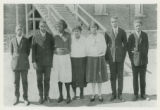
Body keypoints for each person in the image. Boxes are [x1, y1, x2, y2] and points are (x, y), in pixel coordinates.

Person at [32, 20, 55, 104]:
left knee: (47, 80)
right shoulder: (35, 36)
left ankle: (46, 96)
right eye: (41, 26)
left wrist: (52, 61)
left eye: (44, 26)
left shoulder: (50, 36)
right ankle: (41, 96)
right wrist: (33, 61)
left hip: (48, 63)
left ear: (46, 27)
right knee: (39, 80)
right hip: (39, 63)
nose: (43, 28)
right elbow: (33, 49)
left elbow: (53, 49)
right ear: (39, 27)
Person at [105, 16, 127, 101]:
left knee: (120, 76)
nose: (114, 23)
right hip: (111, 58)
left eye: (115, 21)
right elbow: (105, 46)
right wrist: (107, 58)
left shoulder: (122, 31)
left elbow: (125, 45)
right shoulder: (107, 32)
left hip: (120, 58)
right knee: (112, 76)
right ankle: (113, 94)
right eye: (112, 22)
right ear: (111, 23)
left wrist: (123, 56)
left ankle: (120, 94)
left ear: (118, 22)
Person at [86, 22, 109, 102]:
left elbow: (104, 46)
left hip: (99, 58)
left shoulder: (101, 36)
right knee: (93, 77)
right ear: (90, 29)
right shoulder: (88, 38)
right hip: (92, 58)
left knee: (99, 77)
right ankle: (93, 93)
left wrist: (101, 53)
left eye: (95, 27)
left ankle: (99, 94)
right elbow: (87, 48)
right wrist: (91, 53)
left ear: (97, 28)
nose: (94, 29)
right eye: (92, 27)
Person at [127, 19, 149, 101]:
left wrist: (144, 56)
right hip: (134, 61)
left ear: (141, 26)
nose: (138, 27)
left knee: (143, 78)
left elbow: (147, 47)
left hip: (143, 61)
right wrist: (132, 59)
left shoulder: (145, 35)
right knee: (135, 78)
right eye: (136, 26)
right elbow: (129, 49)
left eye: (139, 26)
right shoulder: (131, 36)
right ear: (134, 26)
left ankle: (143, 94)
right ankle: (135, 94)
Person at [53, 20, 72, 104]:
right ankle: (61, 95)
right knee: (59, 76)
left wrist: (64, 51)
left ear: (64, 26)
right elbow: (53, 48)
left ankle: (68, 96)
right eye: (57, 26)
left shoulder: (68, 35)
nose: (58, 27)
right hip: (57, 58)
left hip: (65, 57)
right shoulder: (55, 36)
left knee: (66, 76)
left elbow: (70, 47)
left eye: (60, 26)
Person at [10, 24, 30, 106]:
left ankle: (25, 98)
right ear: (16, 31)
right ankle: (16, 97)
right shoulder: (12, 40)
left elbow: (28, 52)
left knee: (24, 82)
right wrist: (16, 59)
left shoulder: (26, 40)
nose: (19, 31)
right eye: (18, 29)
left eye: (21, 29)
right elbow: (11, 52)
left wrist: (23, 58)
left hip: (24, 64)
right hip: (15, 65)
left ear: (22, 31)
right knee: (15, 82)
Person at [71, 26, 87, 100]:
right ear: (73, 32)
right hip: (73, 59)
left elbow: (87, 49)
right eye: (75, 31)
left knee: (81, 77)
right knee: (73, 77)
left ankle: (81, 93)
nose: (76, 32)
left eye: (77, 31)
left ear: (80, 32)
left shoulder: (84, 39)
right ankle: (74, 94)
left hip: (82, 59)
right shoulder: (71, 39)